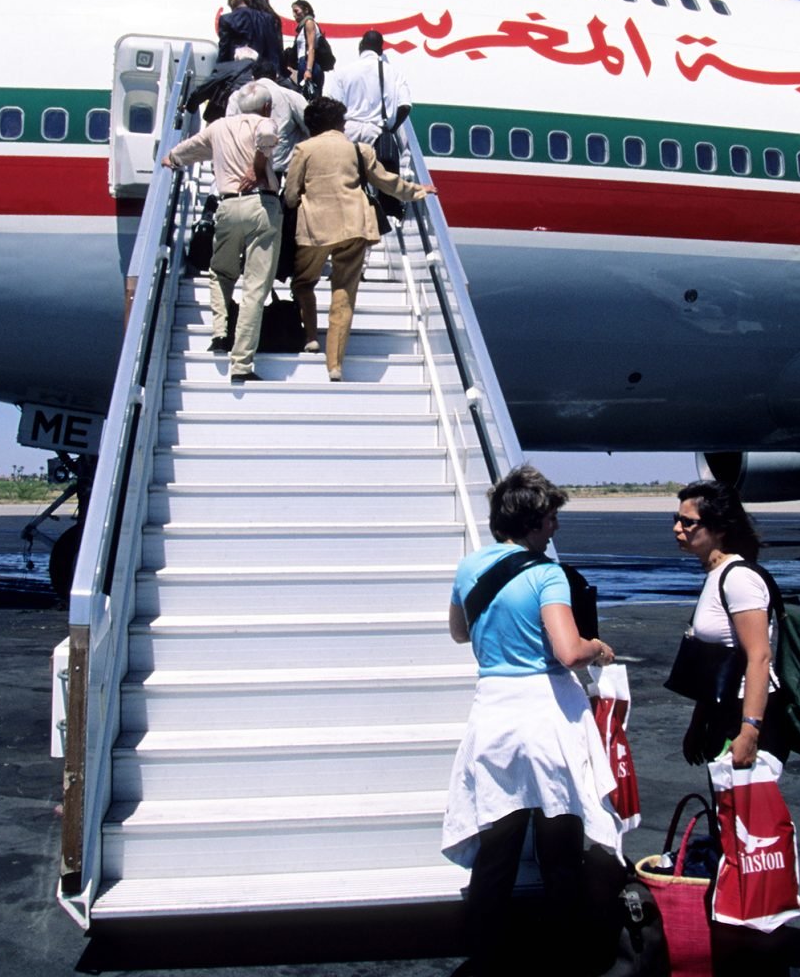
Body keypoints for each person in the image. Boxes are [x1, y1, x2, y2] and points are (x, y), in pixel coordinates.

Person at [443, 466, 619, 977]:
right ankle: (564, 954)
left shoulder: (469, 566)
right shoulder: (547, 574)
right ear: (534, 522)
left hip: (493, 712)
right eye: (550, 519)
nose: (554, 529)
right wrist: (597, 647)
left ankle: (488, 952)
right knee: (560, 844)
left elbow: (459, 632)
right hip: (545, 713)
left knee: (497, 842)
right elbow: (567, 651)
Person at [281, 97, 434, 379]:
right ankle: (335, 365)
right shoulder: (359, 149)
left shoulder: (304, 149)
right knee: (343, 294)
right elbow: (386, 182)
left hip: (315, 228)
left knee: (303, 282)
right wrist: (417, 190)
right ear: (340, 123)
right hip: (354, 226)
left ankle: (311, 337)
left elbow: (291, 195)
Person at [161, 84, 280, 383]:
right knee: (254, 287)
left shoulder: (217, 128)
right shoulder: (263, 122)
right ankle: (241, 365)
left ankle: (219, 332)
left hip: (227, 206)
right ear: (266, 107)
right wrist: (258, 164)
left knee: (220, 272)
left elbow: (190, 148)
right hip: (261, 206)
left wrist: (172, 159)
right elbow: (267, 134)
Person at [673, 479, 779, 768]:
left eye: (687, 522)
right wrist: (698, 725)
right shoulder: (716, 575)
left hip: (743, 715)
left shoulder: (739, 579)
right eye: (676, 519)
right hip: (722, 713)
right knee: (728, 812)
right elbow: (718, 663)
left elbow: (759, 656)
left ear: (719, 529)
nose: (677, 528)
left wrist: (750, 730)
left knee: (747, 812)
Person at [330, 30, 412, 145]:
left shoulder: (343, 72)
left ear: (360, 47)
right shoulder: (395, 74)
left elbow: (333, 106)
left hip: (348, 132)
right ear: (381, 51)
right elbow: (405, 106)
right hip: (377, 133)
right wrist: (392, 129)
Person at [215, 0, 281, 75]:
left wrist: (218, 70)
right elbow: (272, 47)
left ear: (231, 4)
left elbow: (224, 48)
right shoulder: (266, 18)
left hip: (237, 69)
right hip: (262, 69)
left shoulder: (226, 19)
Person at [288, 0, 327, 94]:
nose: (294, 15)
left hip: (309, 64)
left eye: (296, 11)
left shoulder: (309, 23)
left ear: (306, 10)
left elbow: (311, 47)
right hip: (304, 63)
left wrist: (308, 70)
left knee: (309, 97)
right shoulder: (303, 26)